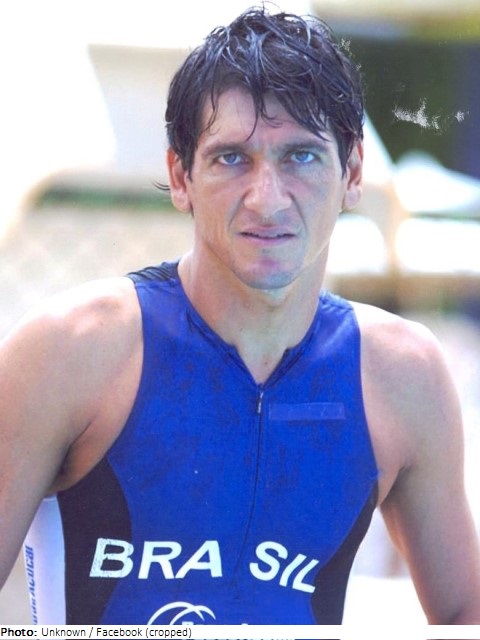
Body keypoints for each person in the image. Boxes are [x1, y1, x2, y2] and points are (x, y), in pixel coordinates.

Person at [1, 7, 479, 626]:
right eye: (232, 158)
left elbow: (465, 616)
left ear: (353, 173)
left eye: (301, 156)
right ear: (180, 176)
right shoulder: (70, 354)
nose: (267, 199)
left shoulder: (402, 376)